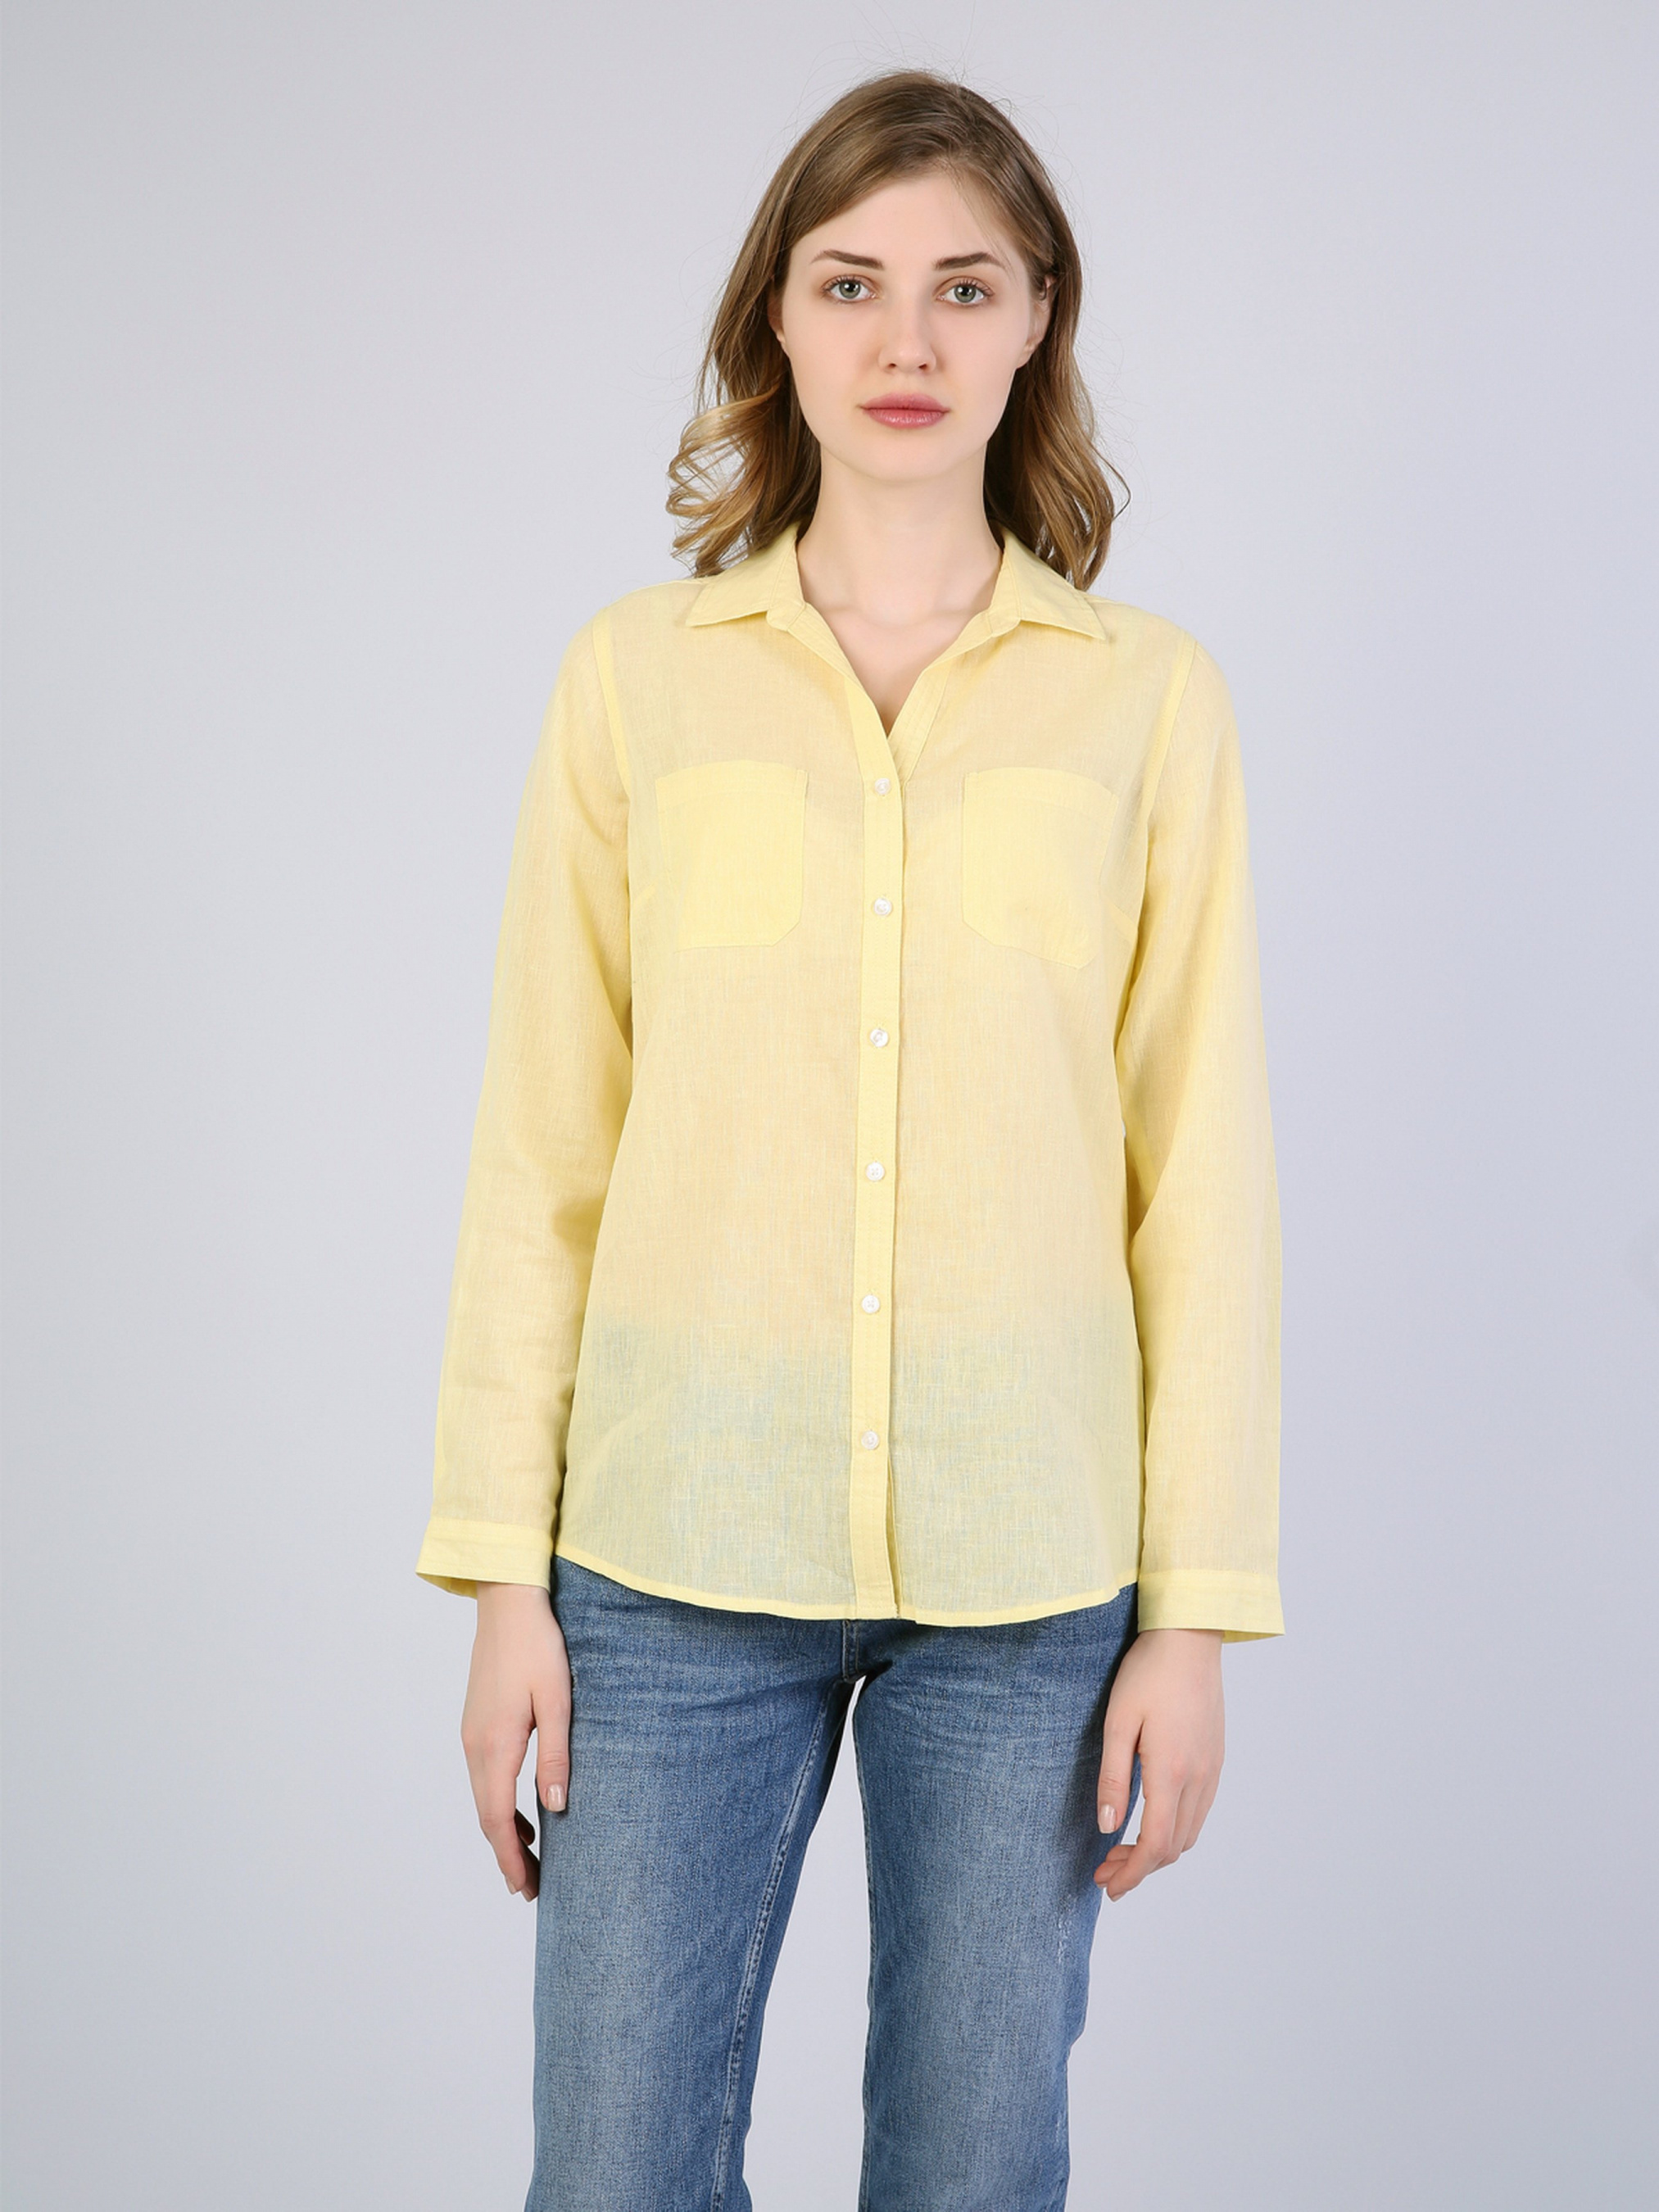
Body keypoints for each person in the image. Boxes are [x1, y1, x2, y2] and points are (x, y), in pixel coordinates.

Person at [416, 66, 1283, 2212]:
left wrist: (1191, 1617)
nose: (907, 337)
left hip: (1029, 1571)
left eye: (963, 286)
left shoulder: (1148, 702)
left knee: (975, 2172)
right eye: (850, 282)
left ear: (1036, 318)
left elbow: (1199, 1187)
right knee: (613, 2170)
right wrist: (503, 1582)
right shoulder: (635, 683)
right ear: (776, 323)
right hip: (667, 1560)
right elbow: (543, 1152)